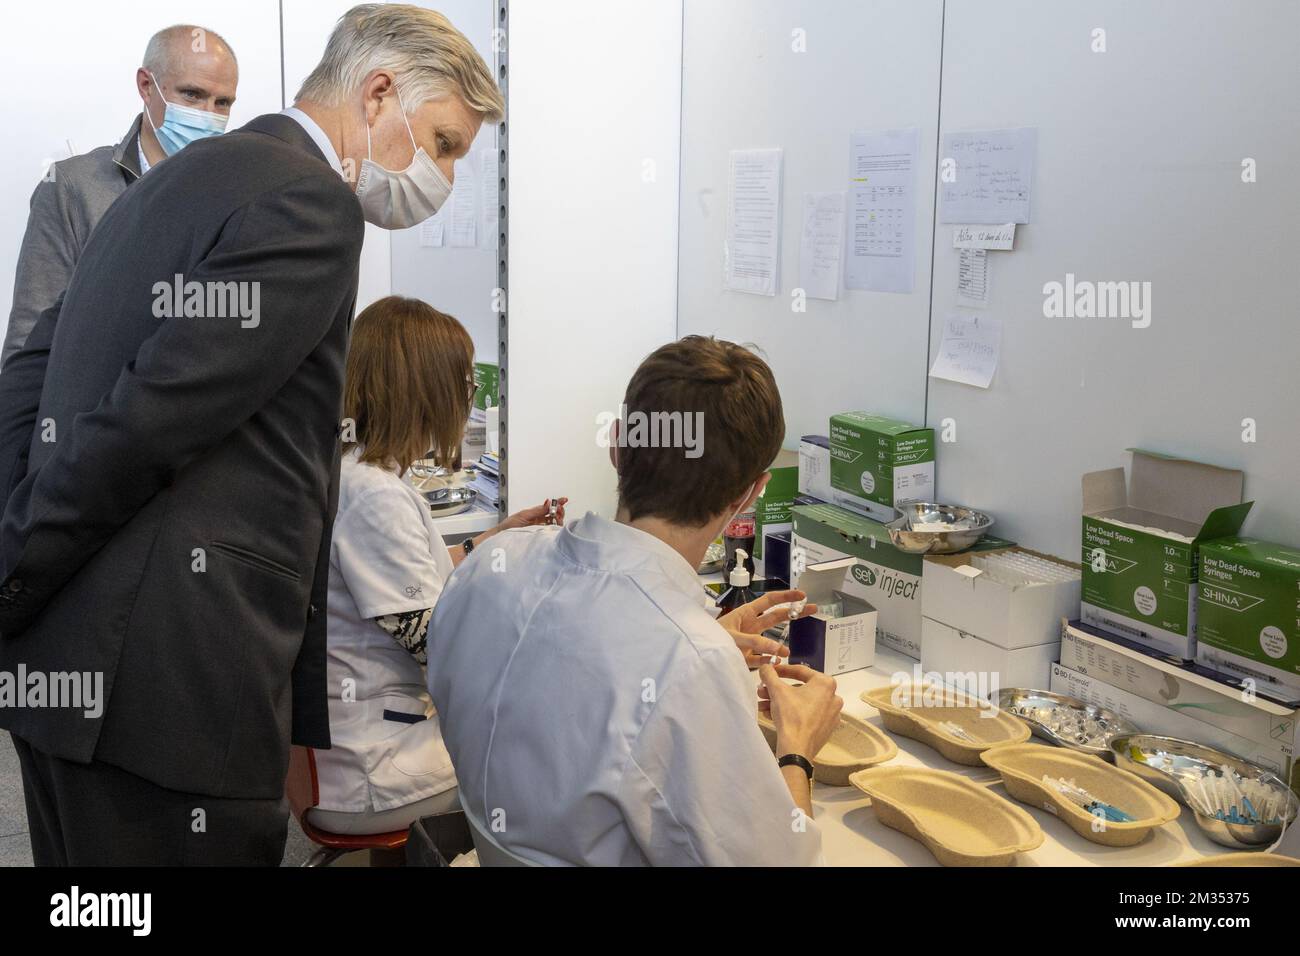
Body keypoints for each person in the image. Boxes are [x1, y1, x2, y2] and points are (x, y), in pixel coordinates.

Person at [0, 4, 503, 865]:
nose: (444, 176)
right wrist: (12, 573)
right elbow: (145, 427)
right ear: (379, 93)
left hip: (70, 683)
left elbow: (28, 380)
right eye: (446, 143)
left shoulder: (163, 182)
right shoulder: (309, 202)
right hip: (172, 701)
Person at [427, 336, 844, 866]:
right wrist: (797, 749)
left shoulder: (492, 564)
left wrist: (697, 634)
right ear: (751, 494)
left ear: (618, 445)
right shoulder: (689, 661)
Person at [311, 296, 566, 836]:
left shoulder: (356, 472)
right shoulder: (375, 495)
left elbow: (407, 582)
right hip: (372, 763)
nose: (468, 401)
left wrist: (494, 540)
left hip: (347, 742)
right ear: (424, 392)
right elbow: (435, 643)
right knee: (564, 752)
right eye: (465, 387)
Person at [2, 24, 239, 364]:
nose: (208, 116)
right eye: (192, 95)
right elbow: (29, 347)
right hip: (91, 411)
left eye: (223, 103)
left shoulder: (239, 195)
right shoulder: (73, 189)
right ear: (146, 86)